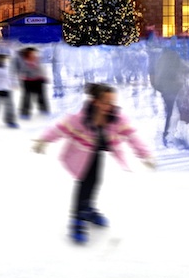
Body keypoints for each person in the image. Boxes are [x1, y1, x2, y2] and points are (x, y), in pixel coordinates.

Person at [33, 82, 155, 244]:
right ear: (95, 101)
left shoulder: (117, 118)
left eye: (112, 102)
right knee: (84, 182)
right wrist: (44, 140)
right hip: (80, 153)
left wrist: (144, 154)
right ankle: (77, 219)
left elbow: (132, 136)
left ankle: (88, 208)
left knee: (96, 181)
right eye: (106, 102)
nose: (110, 106)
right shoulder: (80, 119)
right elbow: (60, 128)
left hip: (97, 150)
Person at [18, 46, 49, 117]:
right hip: (28, 81)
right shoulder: (23, 62)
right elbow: (22, 70)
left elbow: (42, 69)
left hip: (38, 80)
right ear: (27, 54)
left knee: (41, 96)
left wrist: (44, 77)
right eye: (31, 53)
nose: (33, 55)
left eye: (34, 53)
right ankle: (25, 112)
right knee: (27, 97)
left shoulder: (37, 60)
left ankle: (43, 109)